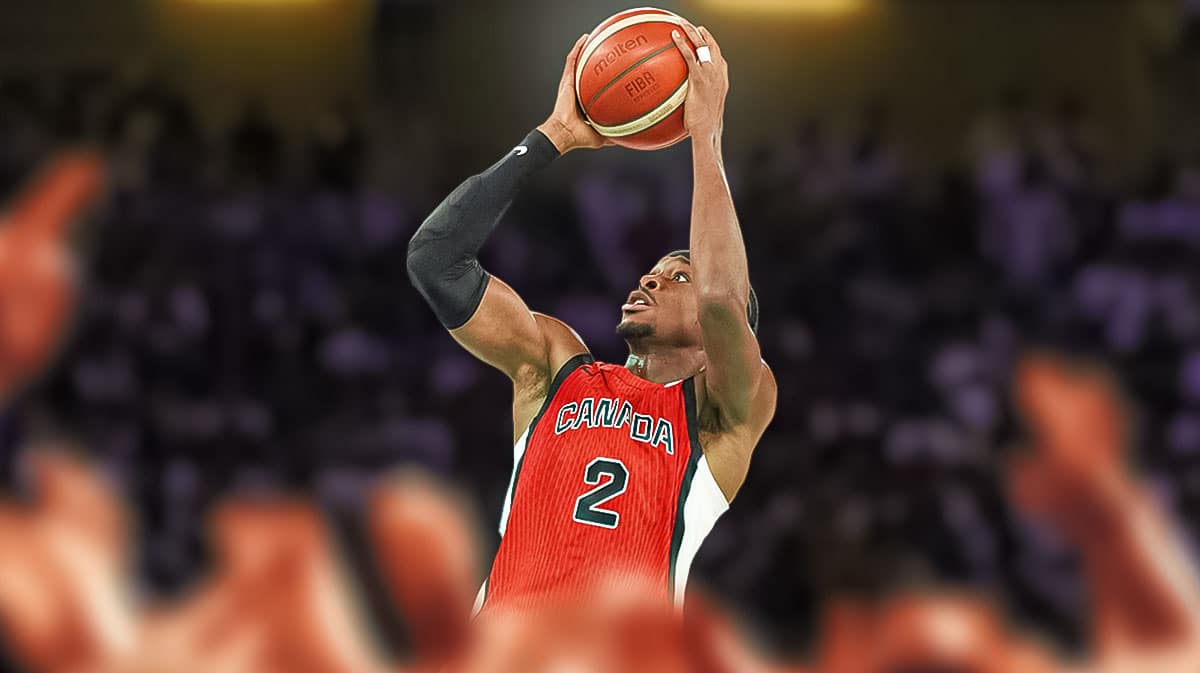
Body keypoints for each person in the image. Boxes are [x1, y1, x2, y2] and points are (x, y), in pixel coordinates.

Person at [407, 25, 776, 616]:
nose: (650, 279)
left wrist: (706, 135)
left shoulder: (721, 413)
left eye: (676, 275)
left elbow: (721, 303)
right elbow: (436, 260)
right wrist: (553, 136)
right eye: (652, 270)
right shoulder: (556, 366)